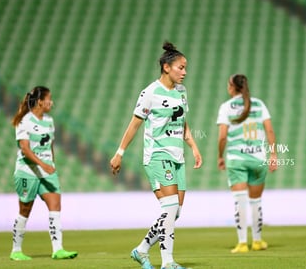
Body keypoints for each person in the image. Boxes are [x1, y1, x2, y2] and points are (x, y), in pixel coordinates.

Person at [110, 42, 202, 269]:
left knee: (175, 212)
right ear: (166, 67)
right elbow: (134, 125)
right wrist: (119, 153)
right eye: (181, 67)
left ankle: (141, 250)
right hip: (157, 155)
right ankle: (167, 262)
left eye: (185, 67)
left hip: (177, 157)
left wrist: (194, 147)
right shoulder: (149, 93)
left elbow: (182, 123)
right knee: (170, 208)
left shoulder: (181, 91)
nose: (185, 72)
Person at [10, 86, 78, 261]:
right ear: (40, 101)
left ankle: (58, 249)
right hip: (27, 172)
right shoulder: (24, 121)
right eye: (49, 99)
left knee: (55, 206)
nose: (51, 102)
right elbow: (25, 149)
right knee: (25, 209)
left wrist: (51, 163)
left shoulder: (49, 120)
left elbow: (50, 145)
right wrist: (43, 165)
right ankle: (16, 250)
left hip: (47, 173)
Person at [216, 74, 277, 254]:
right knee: (256, 201)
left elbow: (222, 137)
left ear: (232, 87)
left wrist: (220, 156)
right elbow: (270, 130)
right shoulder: (258, 104)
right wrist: (273, 154)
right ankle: (257, 241)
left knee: (239, 202)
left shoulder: (226, 107)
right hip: (258, 159)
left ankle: (242, 243)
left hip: (237, 159)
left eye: (228, 84)